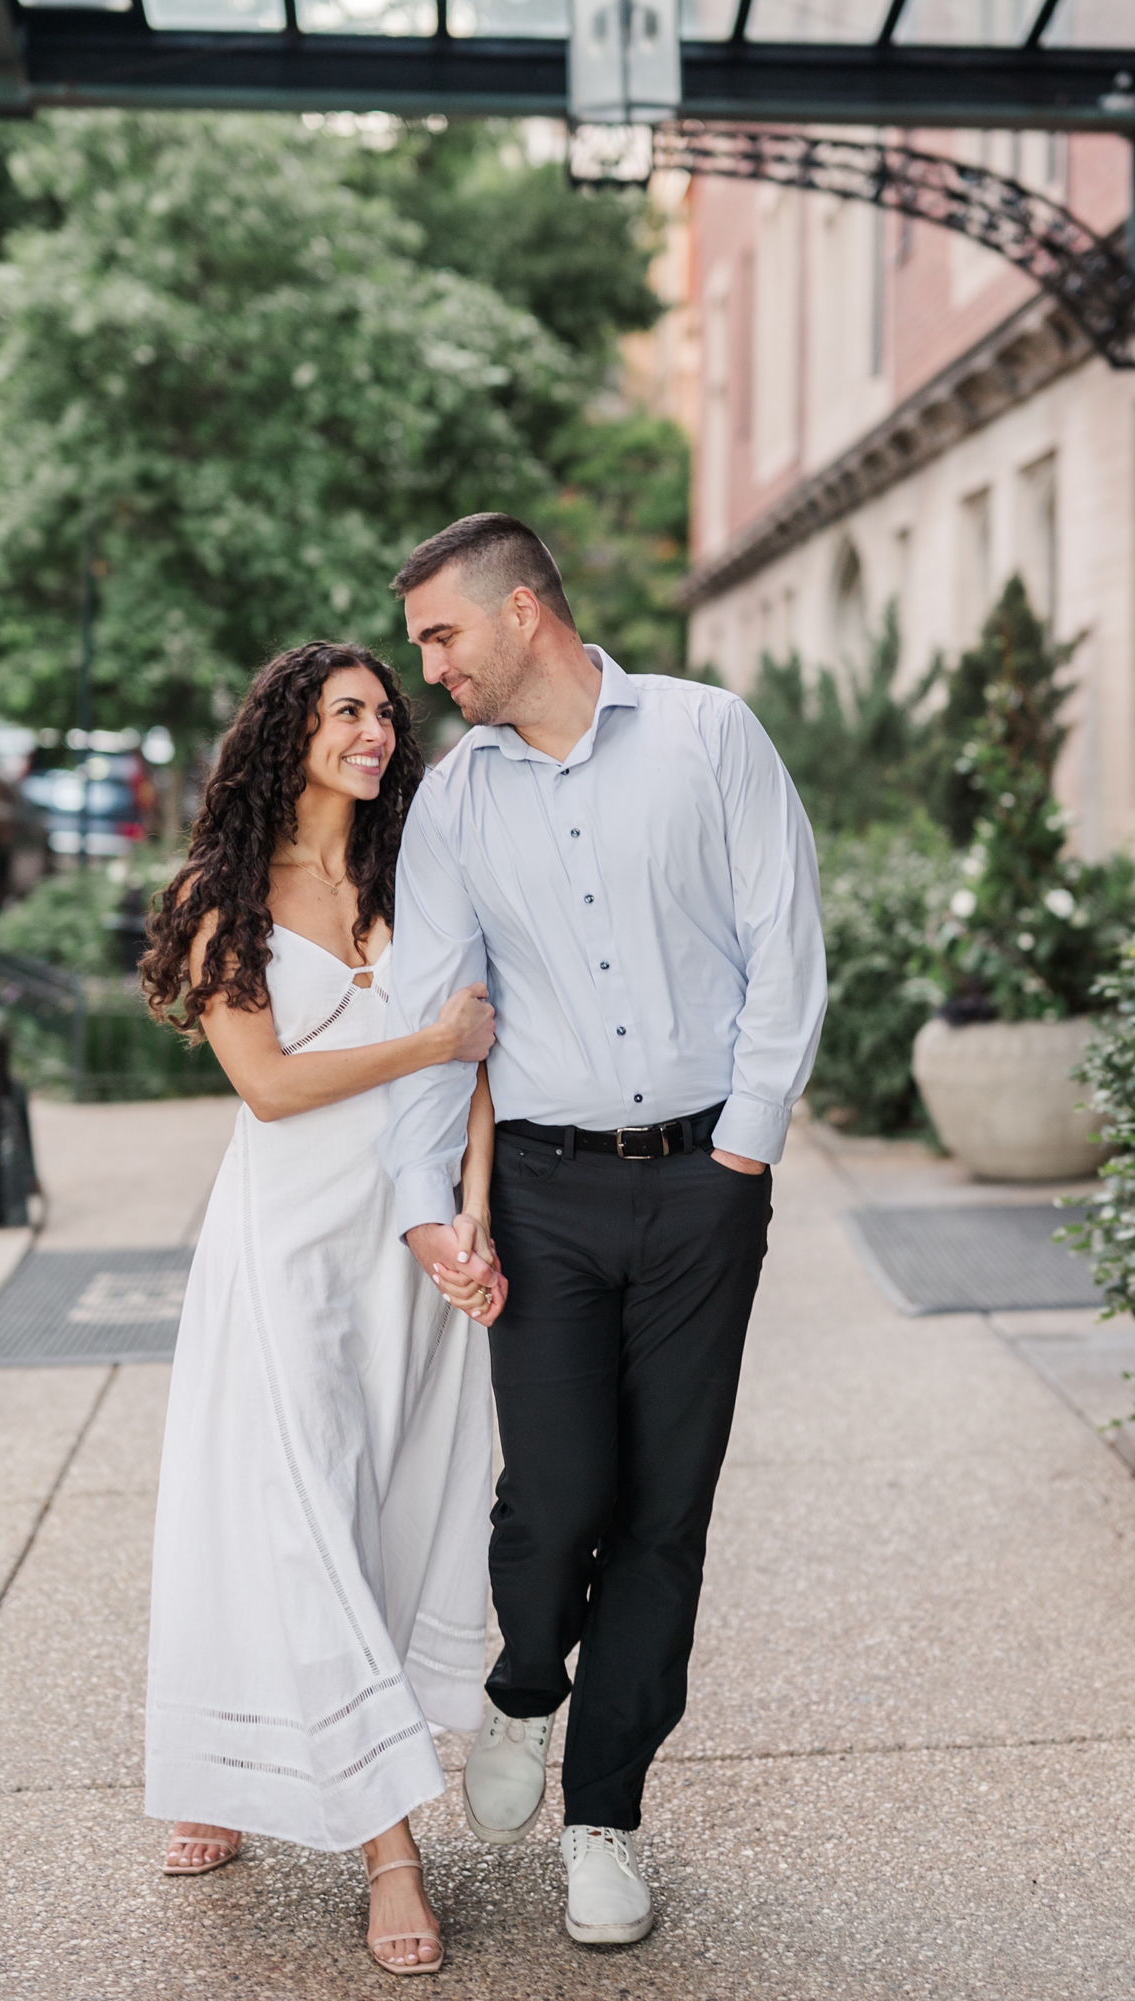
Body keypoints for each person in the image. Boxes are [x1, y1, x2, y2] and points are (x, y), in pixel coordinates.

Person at [383, 514, 826, 1947]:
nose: (430, 670)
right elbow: (439, 1020)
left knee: (663, 1513)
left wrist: (743, 1149)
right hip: (547, 1197)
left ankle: (605, 1815)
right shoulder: (454, 804)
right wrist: (423, 1208)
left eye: (442, 635)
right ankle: (525, 1683)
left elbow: (784, 937)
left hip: (705, 1179)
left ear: (523, 612)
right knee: (560, 1488)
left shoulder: (708, 737)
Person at [140, 641, 506, 1978]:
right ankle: (387, 1852)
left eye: (384, 712)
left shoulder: (416, 876)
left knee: (386, 1504)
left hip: (402, 1247)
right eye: (346, 708)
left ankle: (232, 1762)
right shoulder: (222, 894)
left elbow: (482, 1056)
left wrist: (472, 1212)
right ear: (288, 728)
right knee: (298, 1516)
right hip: (287, 1246)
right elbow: (275, 1085)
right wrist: (428, 1040)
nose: (373, 729)